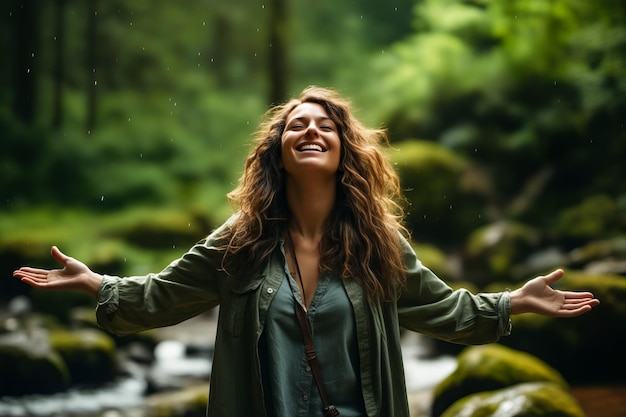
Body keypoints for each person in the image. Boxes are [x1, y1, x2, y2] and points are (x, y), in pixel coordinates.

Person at [13, 86, 599, 417]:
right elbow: (160, 298)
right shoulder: (238, 242)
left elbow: (446, 311)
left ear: (346, 149)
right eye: (296, 126)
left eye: (326, 125)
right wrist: (94, 283)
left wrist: (513, 304)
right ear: (278, 152)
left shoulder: (380, 246)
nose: (311, 131)